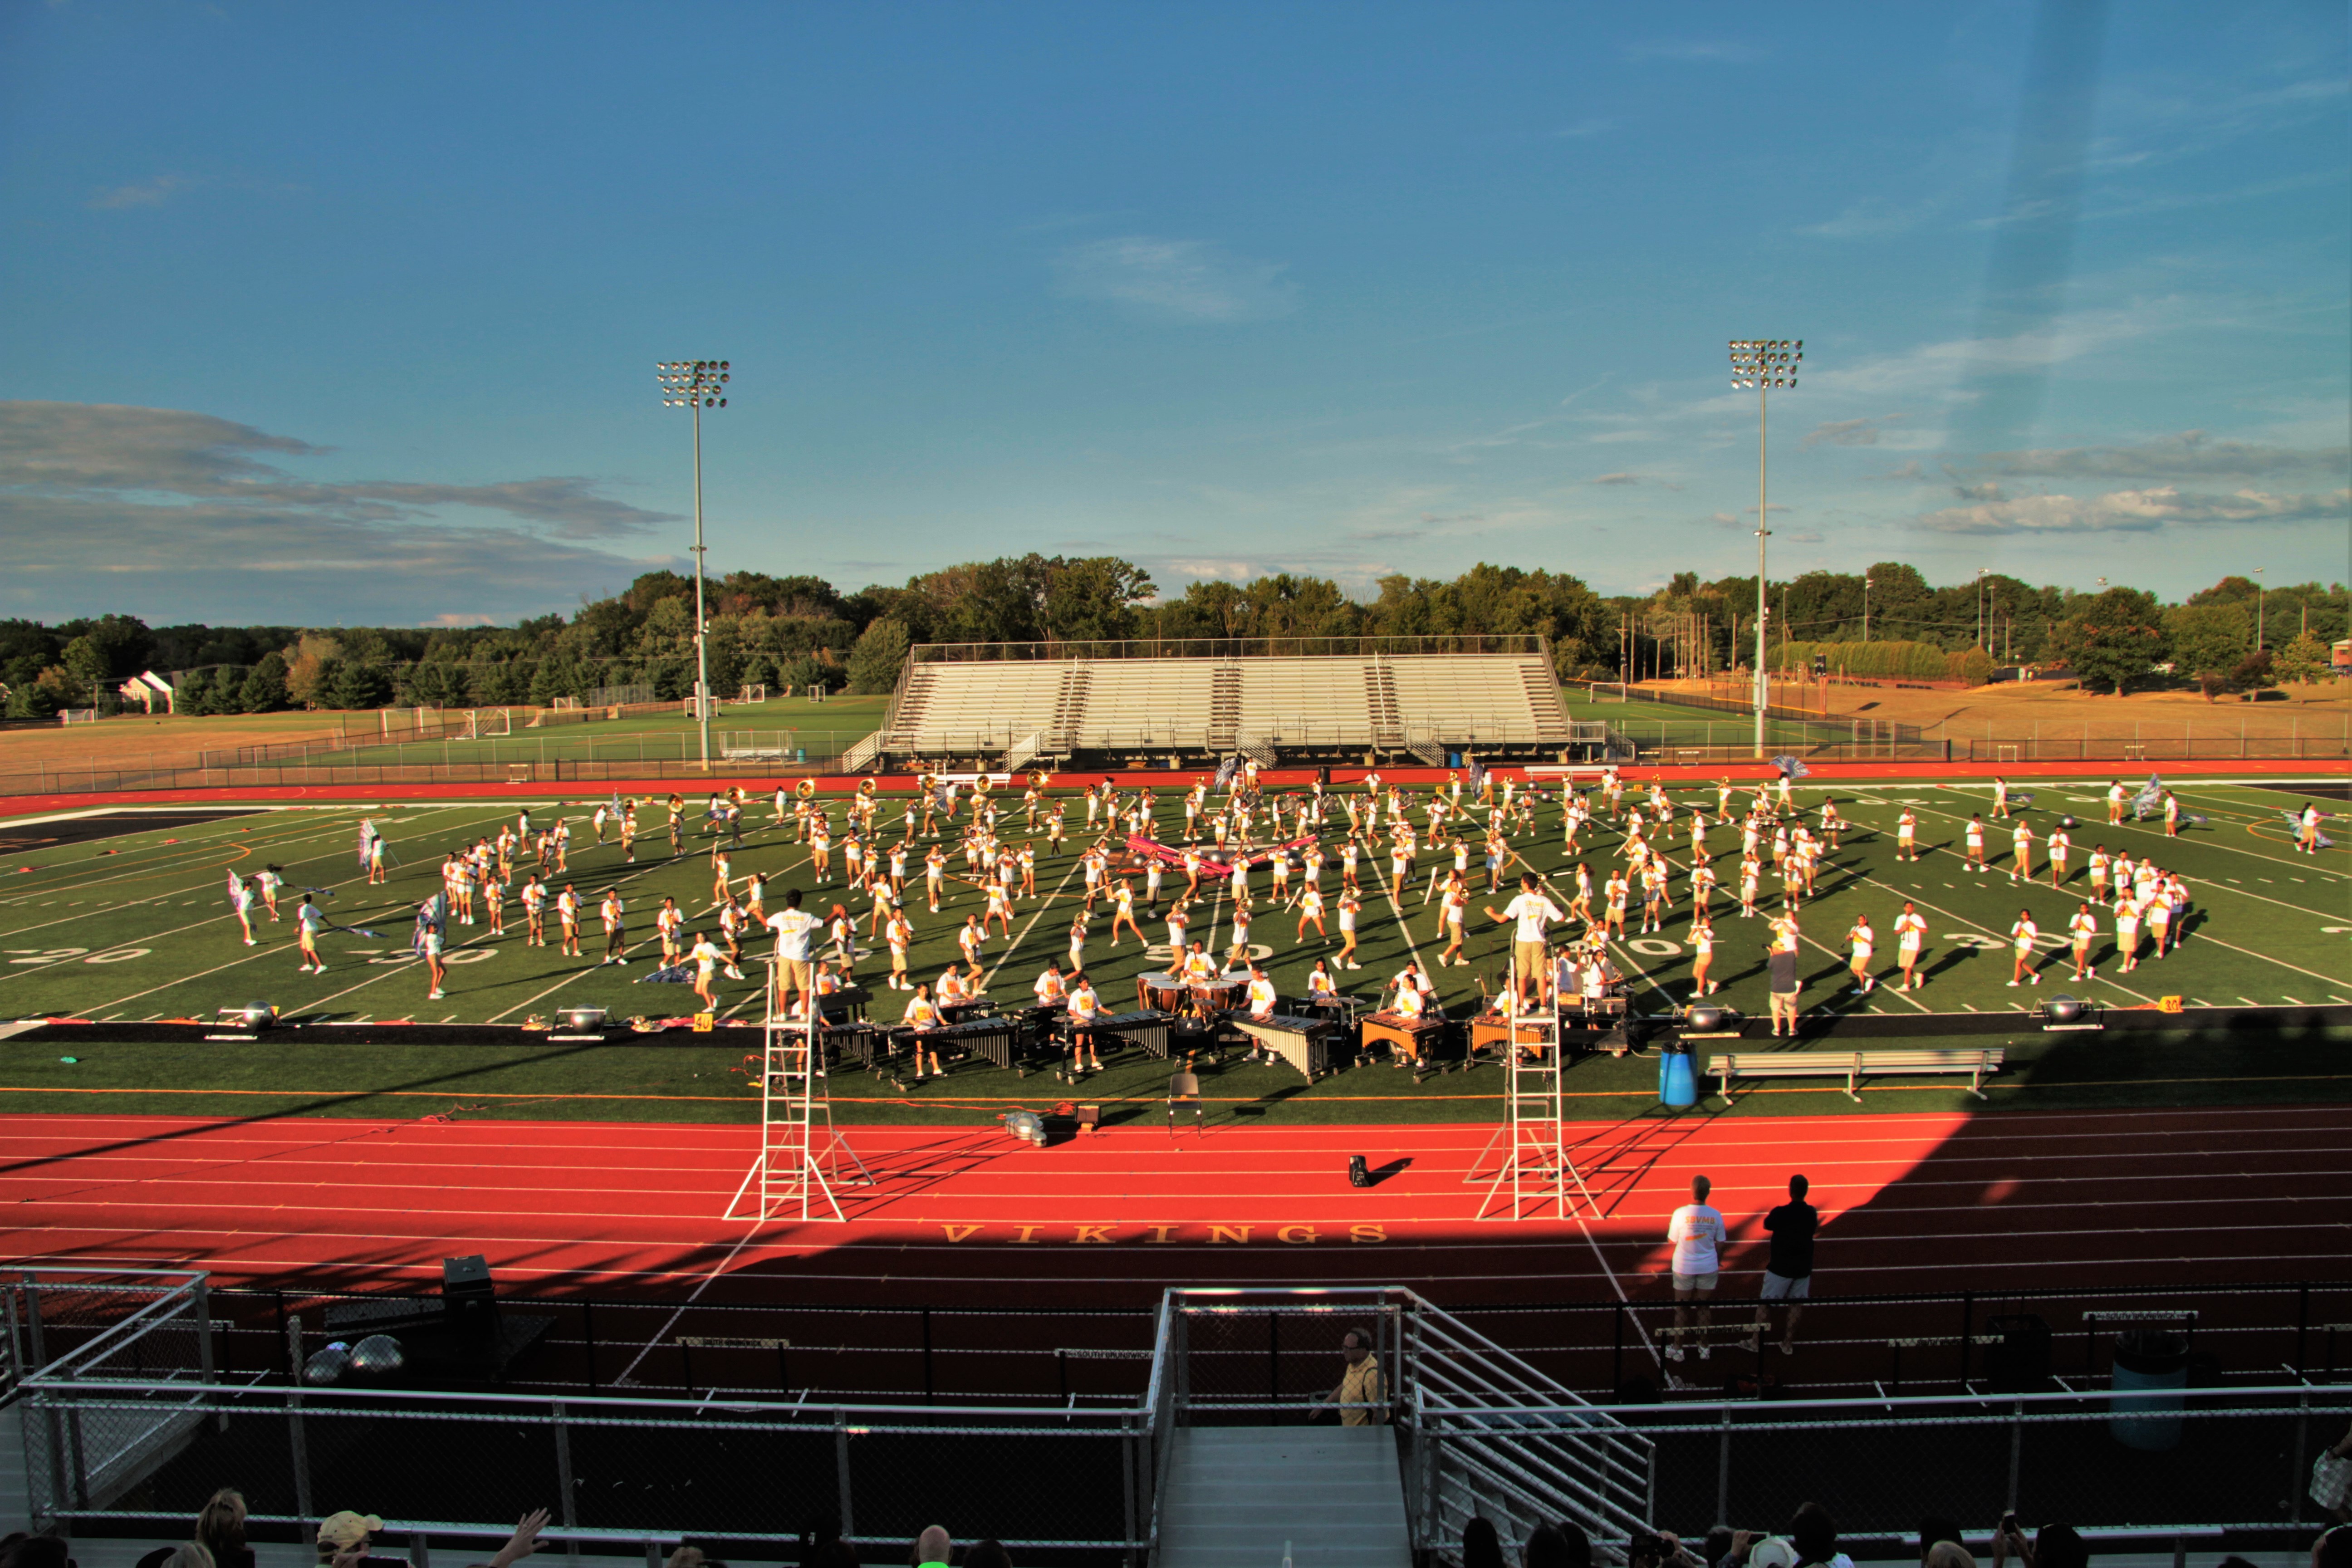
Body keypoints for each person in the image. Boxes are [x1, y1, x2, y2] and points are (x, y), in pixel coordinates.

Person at [1750, 1174, 1817, 1357]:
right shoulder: (1811, 1213)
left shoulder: (1781, 1212)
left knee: (1765, 1304)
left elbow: (1767, 1224)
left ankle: (1756, 1342)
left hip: (1780, 1267)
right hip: (1803, 1268)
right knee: (1796, 1305)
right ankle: (1788, 1343)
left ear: (1791, 1191)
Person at [1666, 1174, 1726, 1362]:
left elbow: (1672, 1240)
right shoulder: (1716, 1215)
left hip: (1684, 1266)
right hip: (1708, 1266)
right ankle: (1704, 1347)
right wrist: (1717, 1261)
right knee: (1704, 1308)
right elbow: (1721, 1243)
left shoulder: (1680, 1213)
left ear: (1691, 1192)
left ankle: (1678, 1349)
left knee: (1681, 1309)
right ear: (1708, 1193)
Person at [1488, 872, 1565, 1002]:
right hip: (1539, 941)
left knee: (1522, 976)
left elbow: (1501, 919)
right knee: (1540, 976)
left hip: (1523, 941)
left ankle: (1521, 1006)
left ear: (1525, 884)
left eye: (1522, 883)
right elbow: (1561, 918)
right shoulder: (1545, 901)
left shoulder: (1519, 899)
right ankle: (1543, 1006)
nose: (1521, 884)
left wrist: (1491, 913)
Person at [765, 888, 821, 1022]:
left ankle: (782, 1013)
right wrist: (835, 913)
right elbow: (824, 923)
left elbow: (766, 922)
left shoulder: (780, 916)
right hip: (801, 957)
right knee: (804, 987)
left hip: (785, 956)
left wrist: (758, 913)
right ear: (800, 902)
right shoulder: (807, 917)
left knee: (784, 987)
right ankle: (804, 1012)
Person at [1316, 1324, 1387, 1425]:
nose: (1344, 1351)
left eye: (1349, 1348)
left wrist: (1371, 1435)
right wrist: (1323, 1406)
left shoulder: (1372, 1375)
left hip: (1361, 1433)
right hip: (1349, 1430)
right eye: (1344, 1347)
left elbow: (1380, 1413)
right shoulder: (1354, 1364)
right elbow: (1345, 1386)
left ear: (1363, 1349)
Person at [1767, 943, 1800, 1037]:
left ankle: (1777, 1029)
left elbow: (1769, 967)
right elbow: (1796, 952)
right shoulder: (1791, 955)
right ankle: (1792, 1030)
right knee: (1791, 1009)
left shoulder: (1774, 959)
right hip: (1790, 988)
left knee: (1775, 1009)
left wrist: (1771, 954)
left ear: (1776, 949)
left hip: (1776, 989)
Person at [2008, 909, 2040, 986]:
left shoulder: (2031, 925)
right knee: (2021, 963)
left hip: (2026, 946)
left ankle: (2016, 981)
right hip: (2018, 945)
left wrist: (2024, 931)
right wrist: (2017, 933)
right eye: (2022, 915)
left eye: (2025, 915)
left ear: (2028, 916)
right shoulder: (2018, 924)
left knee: (2018, 962)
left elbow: (2033, 937)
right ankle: (2035, 975)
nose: (2023, 916)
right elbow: (2013, 935)